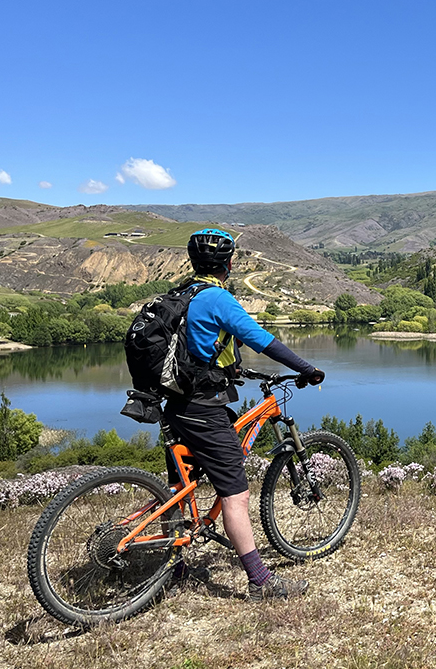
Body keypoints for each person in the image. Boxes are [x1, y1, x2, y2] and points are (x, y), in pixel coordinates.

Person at [165, 228, 324, 601]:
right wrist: (306, 368)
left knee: (179, 488)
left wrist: (231, 368)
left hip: (174, 403)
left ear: (193, 262)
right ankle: (260, 581)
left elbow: (198, 347)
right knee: (236, 494)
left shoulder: (181, 295)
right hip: (202, 405)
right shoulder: (218, 299)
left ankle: (173, 568)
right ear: (230, 264)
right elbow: (260, 339)